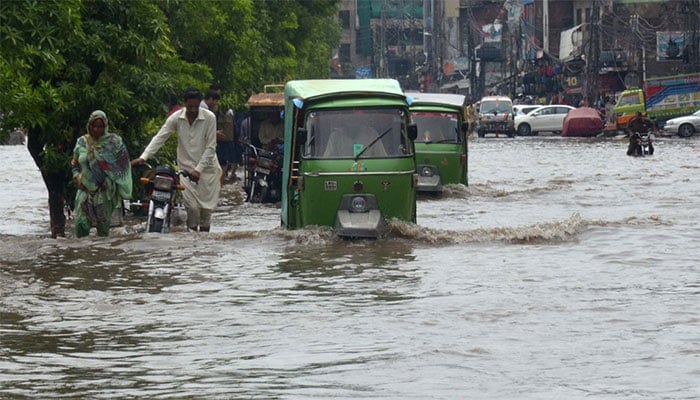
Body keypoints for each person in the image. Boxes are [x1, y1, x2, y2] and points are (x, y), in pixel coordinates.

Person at [131, 88, 222, 232]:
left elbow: (211, 147)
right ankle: (192, 239)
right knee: (191, 208)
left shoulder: (209, 117)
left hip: (207, 170)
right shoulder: (176, 118)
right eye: (190, 106)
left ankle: (204, 245)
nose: (193, 110)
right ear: (184, 103)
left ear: (200, 104)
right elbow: (161, 137)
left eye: (195, 106)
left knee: (205, 212)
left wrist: (199, 170)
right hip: (186, 170)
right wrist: (144, 157)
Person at [71, 110, 132, 238]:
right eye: (94, 126)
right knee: (81, 224)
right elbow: (75, 163)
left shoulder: (114, 143)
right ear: (89, 125)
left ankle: (101, 256)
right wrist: (77, 177)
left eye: (100, 126)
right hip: (85, 188)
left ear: (105, 126)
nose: (96, 129)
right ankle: (80, 255)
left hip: (105, 191)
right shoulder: (82, 142)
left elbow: (121, 167)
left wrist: (109, 181)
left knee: (103, 229)